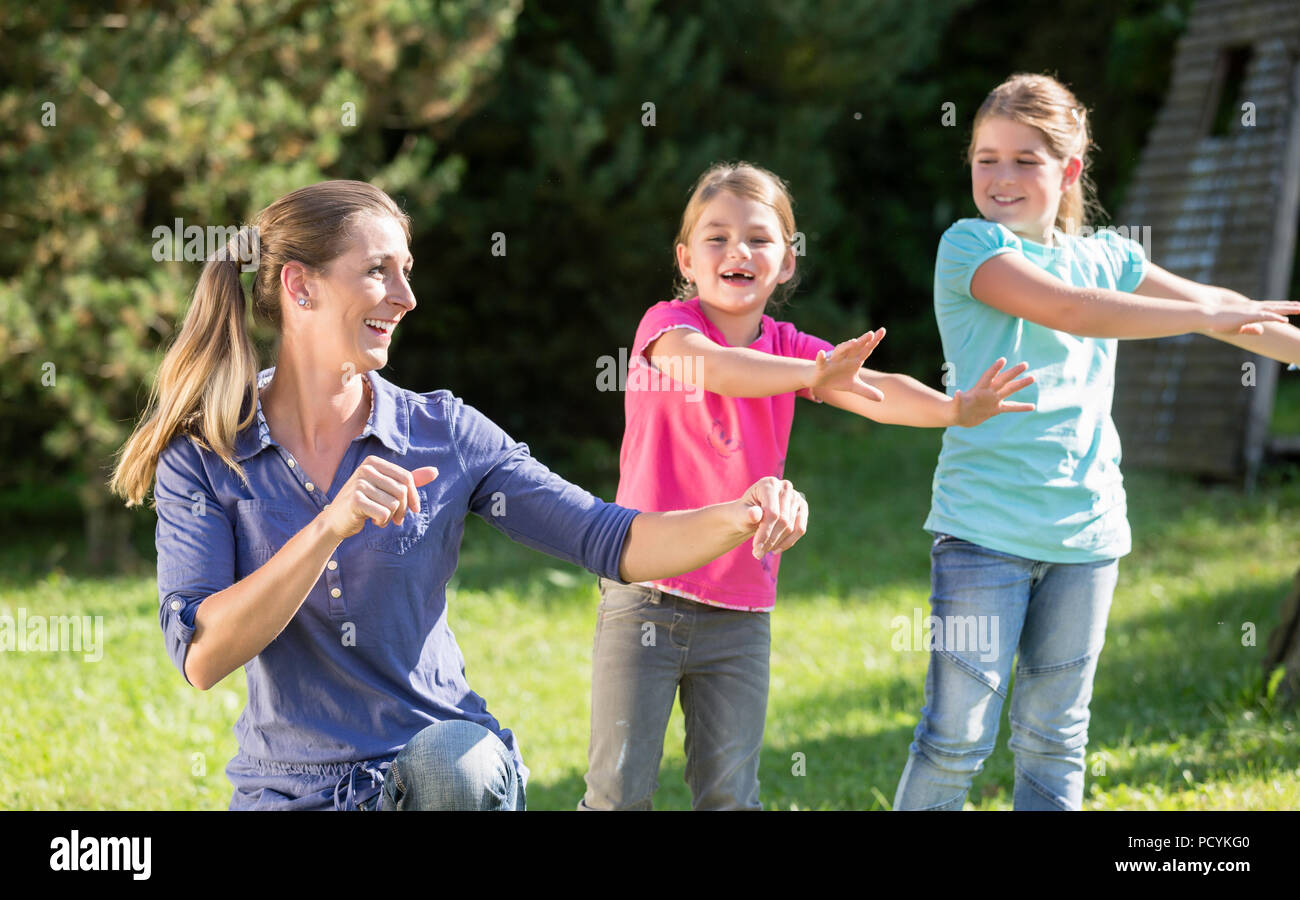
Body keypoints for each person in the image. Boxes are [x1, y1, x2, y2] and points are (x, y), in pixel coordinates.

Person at [110, 179, 810, 811]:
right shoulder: (205, 457)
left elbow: (609, 538)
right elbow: (201, 657)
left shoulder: (442, 434)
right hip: (287, 789)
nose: (406, 298)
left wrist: (741, 513)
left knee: (452, 768)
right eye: (378, 272)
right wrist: (329, 525)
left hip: (436, 771)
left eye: (407, 273)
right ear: (301, 287)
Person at [893, 72, 1300, 811]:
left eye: (1026, 159)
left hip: (1088, 537)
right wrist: (1213, 307)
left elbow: (1238, 320)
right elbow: (1073, 312)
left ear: (1069, 170)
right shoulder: (970, 247)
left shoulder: (1110, 255)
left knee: (1057, 737)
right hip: (983, 532)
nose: (1001, 177)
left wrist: (1246, 321)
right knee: (954, 740)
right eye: (987, 158)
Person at [579, 161, 1035, 810]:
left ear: (787, 262)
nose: (738, 250)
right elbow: (717, 370)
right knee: (619, 794)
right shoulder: (666, 328)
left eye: (760, 238)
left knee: (730, 796)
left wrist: (955, 408)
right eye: (717, 237)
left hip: (742, 611)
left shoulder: (795, 351)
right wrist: (812, 373)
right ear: (686, 259)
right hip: (644, 599)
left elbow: (875, 390)